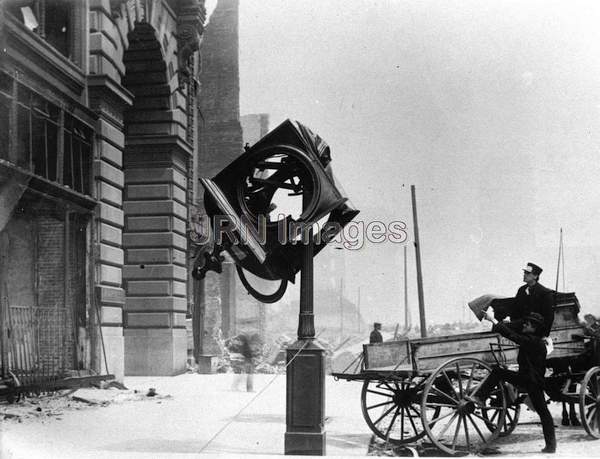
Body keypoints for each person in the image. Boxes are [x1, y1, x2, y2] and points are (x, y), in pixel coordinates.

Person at [471, 310, 556, 454]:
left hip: (527, 380)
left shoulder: (531, 341)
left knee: (498, 371)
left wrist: (493, 320)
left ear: (533, 327)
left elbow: (512, 336)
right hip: (535, 382)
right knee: (544, 412)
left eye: (527, 324)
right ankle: (551, 446)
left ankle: (479, 397)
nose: (524, 325)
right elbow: (513, 333)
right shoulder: (538, 341)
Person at [495, 262, 555, 337]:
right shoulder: (521, 290)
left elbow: (549, 318)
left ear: (535, 276)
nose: (524, 275)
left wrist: (544, 336)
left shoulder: (545, 293)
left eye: (527, 273)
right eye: (524, 272)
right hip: (523, 328)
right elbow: (515, 310)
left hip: (537, 331)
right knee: (498, 327)